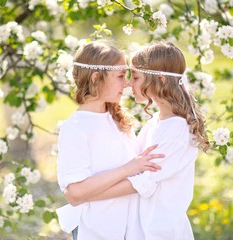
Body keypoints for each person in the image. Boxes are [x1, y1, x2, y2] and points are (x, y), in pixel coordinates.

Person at [85, 42, 210, 239]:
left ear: (159, 79)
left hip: (159, 231)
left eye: (135, 77)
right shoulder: (155, 123)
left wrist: (88, 194)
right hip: (139, 228)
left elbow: (143, 181)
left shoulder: (176, 130)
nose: (128, 84)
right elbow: (131, 162)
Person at [56, 41, 164, 240]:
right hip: (95, 231)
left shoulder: (117, 119)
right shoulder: (75, 128)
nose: (127, 84)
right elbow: (74, 193)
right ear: (96, 78)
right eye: (121, 76)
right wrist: (128, 169)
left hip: (128, 230)